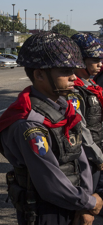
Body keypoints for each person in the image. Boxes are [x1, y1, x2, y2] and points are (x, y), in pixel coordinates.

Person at [0, 32, 103, 225]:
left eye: (73, 70)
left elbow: (80, 158)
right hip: (47, 211)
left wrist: (85, 204)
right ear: (39, 75)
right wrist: (89, 202)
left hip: (73, 202)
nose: (73, 77)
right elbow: (50, 183)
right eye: (64, 71)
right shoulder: (30, 124)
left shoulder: (63, 109)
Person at [70, 32, 103, 191]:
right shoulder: (74, 89)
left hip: (96, 151)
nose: (100, 65)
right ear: (80, 61)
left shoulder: (91, 85)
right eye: (95, 60)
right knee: (86, 202)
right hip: (85, 158)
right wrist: (98, 156)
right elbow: (80, 127)